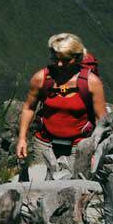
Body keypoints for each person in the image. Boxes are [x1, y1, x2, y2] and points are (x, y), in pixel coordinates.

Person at [16, 33, 107, 180]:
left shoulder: (91, 82)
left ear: (77, 58)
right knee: (36, 188)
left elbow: (101, 120)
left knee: (71, 189)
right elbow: (29, 108)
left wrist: (94, 150)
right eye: (55, 59)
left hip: (77, 147)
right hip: (44, 144)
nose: (59, 64)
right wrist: (22, 139)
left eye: (65, 60)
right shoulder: (42, 78)